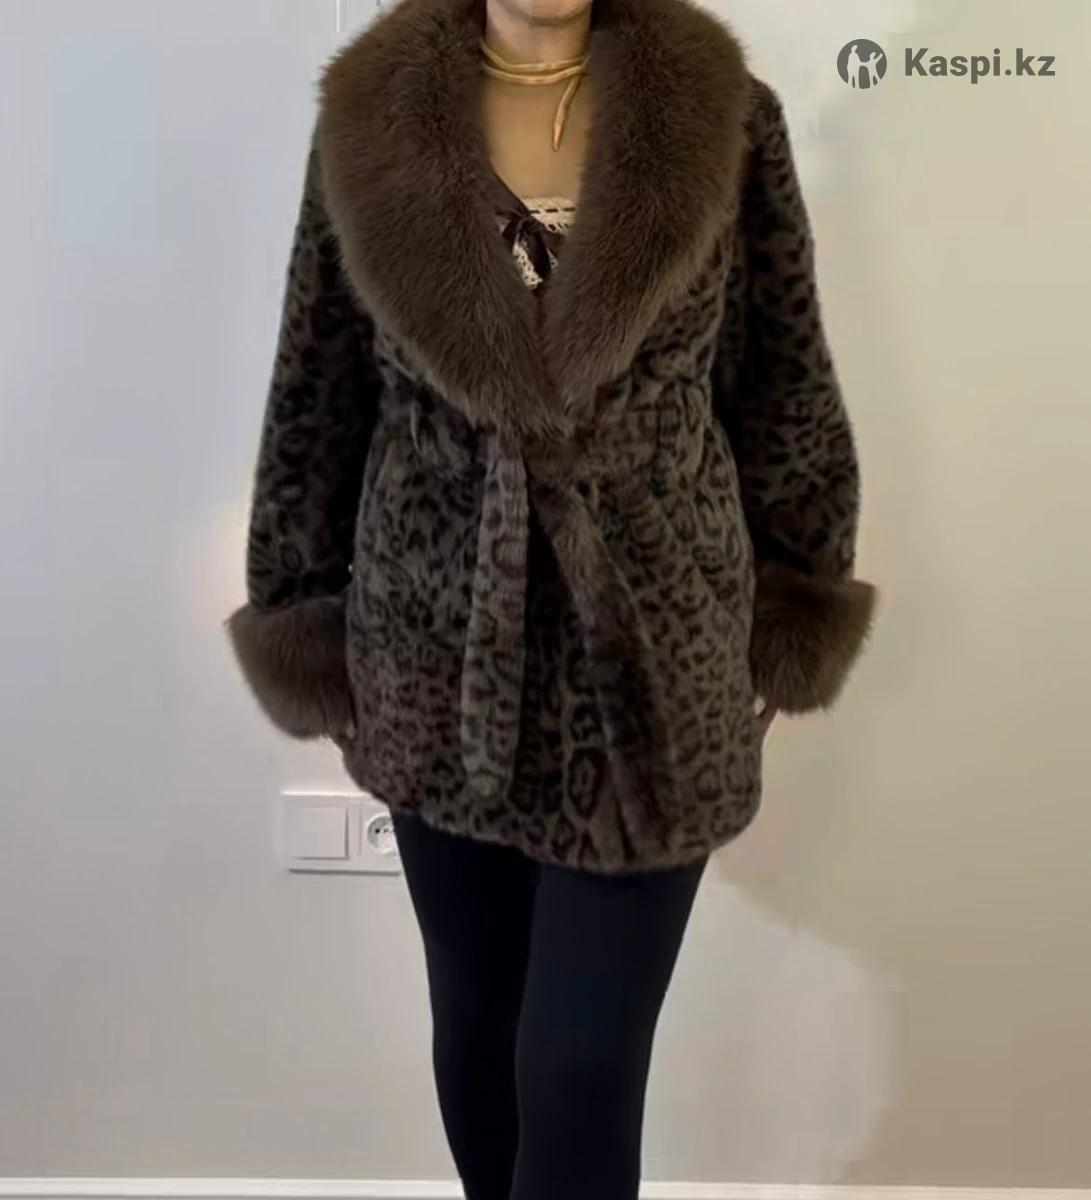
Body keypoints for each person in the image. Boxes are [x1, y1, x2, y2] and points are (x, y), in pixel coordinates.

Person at [225, 0, 877, 1194]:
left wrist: (793, 602)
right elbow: (315, 392)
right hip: (437, 653)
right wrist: (300, 609)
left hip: (652, 656)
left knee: (578, 1069)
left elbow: (782, 386)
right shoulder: (367, 128)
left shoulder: (723, 121)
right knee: (477, 1042)